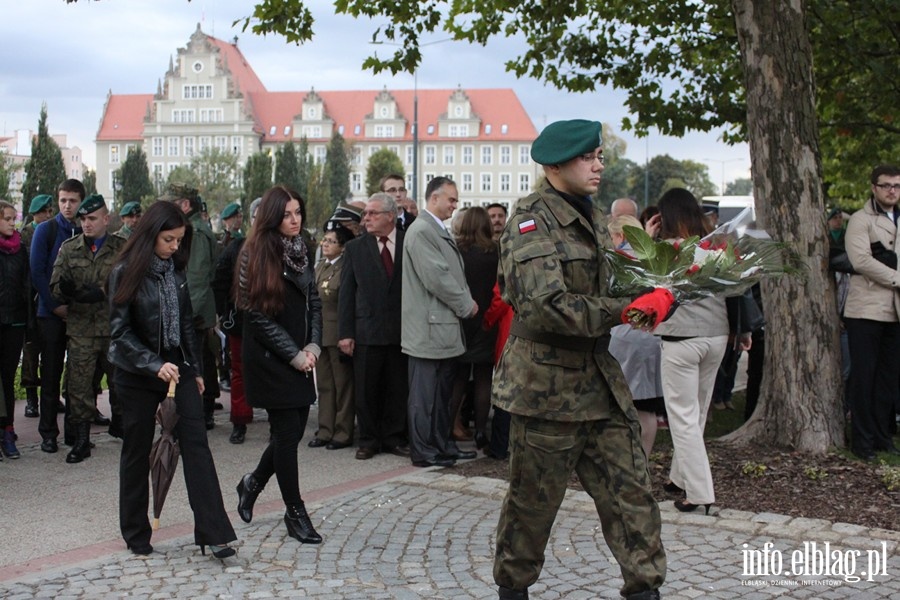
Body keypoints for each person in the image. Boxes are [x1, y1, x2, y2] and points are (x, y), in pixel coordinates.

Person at [492, 119, 665, 600]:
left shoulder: (589, 215)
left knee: (632, 495)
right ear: (553, 165)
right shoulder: (530, 220)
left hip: (597, 381)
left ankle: (646, 589)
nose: (598, 164)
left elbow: (604, 283)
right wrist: (627, 311)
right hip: (546, 389)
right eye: (586, 157)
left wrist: (662, 289)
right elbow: (545, 306)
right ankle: (513, 590)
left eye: (599, 156)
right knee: (532, 507)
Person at [108, 200, 236, 558]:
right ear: (150, 235)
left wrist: (194, 370)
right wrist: (152, 364)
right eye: (169, 239)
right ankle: (136, 532)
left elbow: (186, 326)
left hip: (177, 371)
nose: (175, 247)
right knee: (137, 450)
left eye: (179, 240)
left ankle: (213, 532)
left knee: (196, 445)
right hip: (135, 374)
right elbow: (119, 334)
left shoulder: (175, 272)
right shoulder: (123, 271)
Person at [234, 185, 323, 545]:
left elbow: (314, 300)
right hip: (271, 358)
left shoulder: (305, 248)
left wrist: (314, 344)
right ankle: (295, 511)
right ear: (271, 216)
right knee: (287, 435)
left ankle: (252, 482)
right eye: (287, 214)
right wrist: (294, 354)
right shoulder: (254, 251)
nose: (294, 219)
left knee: (293, 430)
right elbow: (253, 313)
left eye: (298, 212)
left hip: (301, 354)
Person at [653, 188, 751, 514]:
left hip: (681, 338)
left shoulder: (663, 250)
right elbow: (737, 289)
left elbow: (639, 281)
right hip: (717, 334)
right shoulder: (714, 247)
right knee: (696, 411)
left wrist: (648, 238)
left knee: (682, 417)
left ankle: (700, 492)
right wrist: (744, 329)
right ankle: (678, 476)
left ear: (664, 217)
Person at [402, 176, 479, 468]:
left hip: (439, 328)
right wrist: (465, 304)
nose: (455, 205)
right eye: (451, 199)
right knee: (425, 396)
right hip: (429, 328)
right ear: (434, 198)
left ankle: (442, 445)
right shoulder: (422, 230)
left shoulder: (432, 229)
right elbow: (437, 277)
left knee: (441, 393)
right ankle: (425, 450)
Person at [50, 194, 126, 461]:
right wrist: (66, 290)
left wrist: (104, 292)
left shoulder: (122, 247)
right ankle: (81, 439)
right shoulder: (70, 248)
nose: (86, 224)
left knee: (121, 383)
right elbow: (55, 285)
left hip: (114, 329)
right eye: (83, 219)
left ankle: (124, 427)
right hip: (81, 329)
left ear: (106, 219)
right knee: (80, 386)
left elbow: (133, 284)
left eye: (92, 218)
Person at [338, 193, 410, 460]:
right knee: (366, 392)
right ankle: (368, 440)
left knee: (397, 388)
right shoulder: (356, 248)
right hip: (366, 332)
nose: (365, 218)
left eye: (372, 213)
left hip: (401, 332)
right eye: (365, 213)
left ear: (390, 216)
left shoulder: (407, 242)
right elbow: (346, 293)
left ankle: (393, 437)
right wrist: (345, 333)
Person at [844, 164, 900, 461]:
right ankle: (861, 442)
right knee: (863, 377)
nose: (892, 190)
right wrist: (897, 276)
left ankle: (882, 437)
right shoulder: (860, 220)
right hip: (865, 310)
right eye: (886, 185)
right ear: (874, 188)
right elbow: (861, 260)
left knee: (887, 379)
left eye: (897, 185)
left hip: (895, 311)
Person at [31, 179, 84, 453]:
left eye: (73, 200)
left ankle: (74, 433)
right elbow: (38, 272)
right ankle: (48, 433)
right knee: (50, 375)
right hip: (50, 315)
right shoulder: (46, 230)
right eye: (63, 200)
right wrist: (55, 307)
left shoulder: (85, 231)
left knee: (77, 377)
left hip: (79, 316)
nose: (67, 205)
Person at [607, 214, 665, 456]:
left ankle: (625, 461)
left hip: (624, 338)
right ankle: (643, 462)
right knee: (647, 408)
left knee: (621, 407)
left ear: (620, 236)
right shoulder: (654, 255)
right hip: (652, 337)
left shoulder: (620, 259)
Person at [165, 183, 220, 430]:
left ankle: (197, 415)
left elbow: (196, 278)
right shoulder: (194, 228)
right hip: (196, 311)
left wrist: (184, 317)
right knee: (201, 360)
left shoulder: (195, 233)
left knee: (195, 362)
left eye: (172, 203)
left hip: (195, 312)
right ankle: (200, 412)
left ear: (185, 205)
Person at [448, 206, 499, 451]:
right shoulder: (496, 253)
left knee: (457, 378)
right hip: (487, 322)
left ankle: (448, 427)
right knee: (482, 379)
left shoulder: (456, 252)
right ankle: (480, 431)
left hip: (460, 320)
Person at [213, 198, 261, 444]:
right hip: (240, 322)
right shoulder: (236, 248)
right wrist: (225, 313)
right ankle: (240, 420)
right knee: (239, 371)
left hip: (274, 323)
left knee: (271, 371)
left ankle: (278, 421)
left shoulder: (283, 248)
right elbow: (219, 281)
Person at [308, 222, 356, 450]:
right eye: (324, 240)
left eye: (331, 241)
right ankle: (325, 429)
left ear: (343, 247)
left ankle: (343, 431)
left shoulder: (346, 267)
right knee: (325, 385)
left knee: (343, 385)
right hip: (320, 334)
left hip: (339, 333)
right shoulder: (321, 266)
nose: (325, 244)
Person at [19, 193, 54, 419]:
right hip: (28, 299)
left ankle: (51, 397)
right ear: (36, 213)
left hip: (47, 297)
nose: (49, 215)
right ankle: (31, 399)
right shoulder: (25, 235)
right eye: (45, 212)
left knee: (51, 352)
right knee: (31, 351)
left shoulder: (51, 231)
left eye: (50, 211)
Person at [0, 201, 30, 459]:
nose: (12, 222)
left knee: (8, 379)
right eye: (7, 219)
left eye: (13, 218)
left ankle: (7, 430)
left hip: (15, 322)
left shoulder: (21, 251)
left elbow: (27, 287)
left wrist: (28, 322)